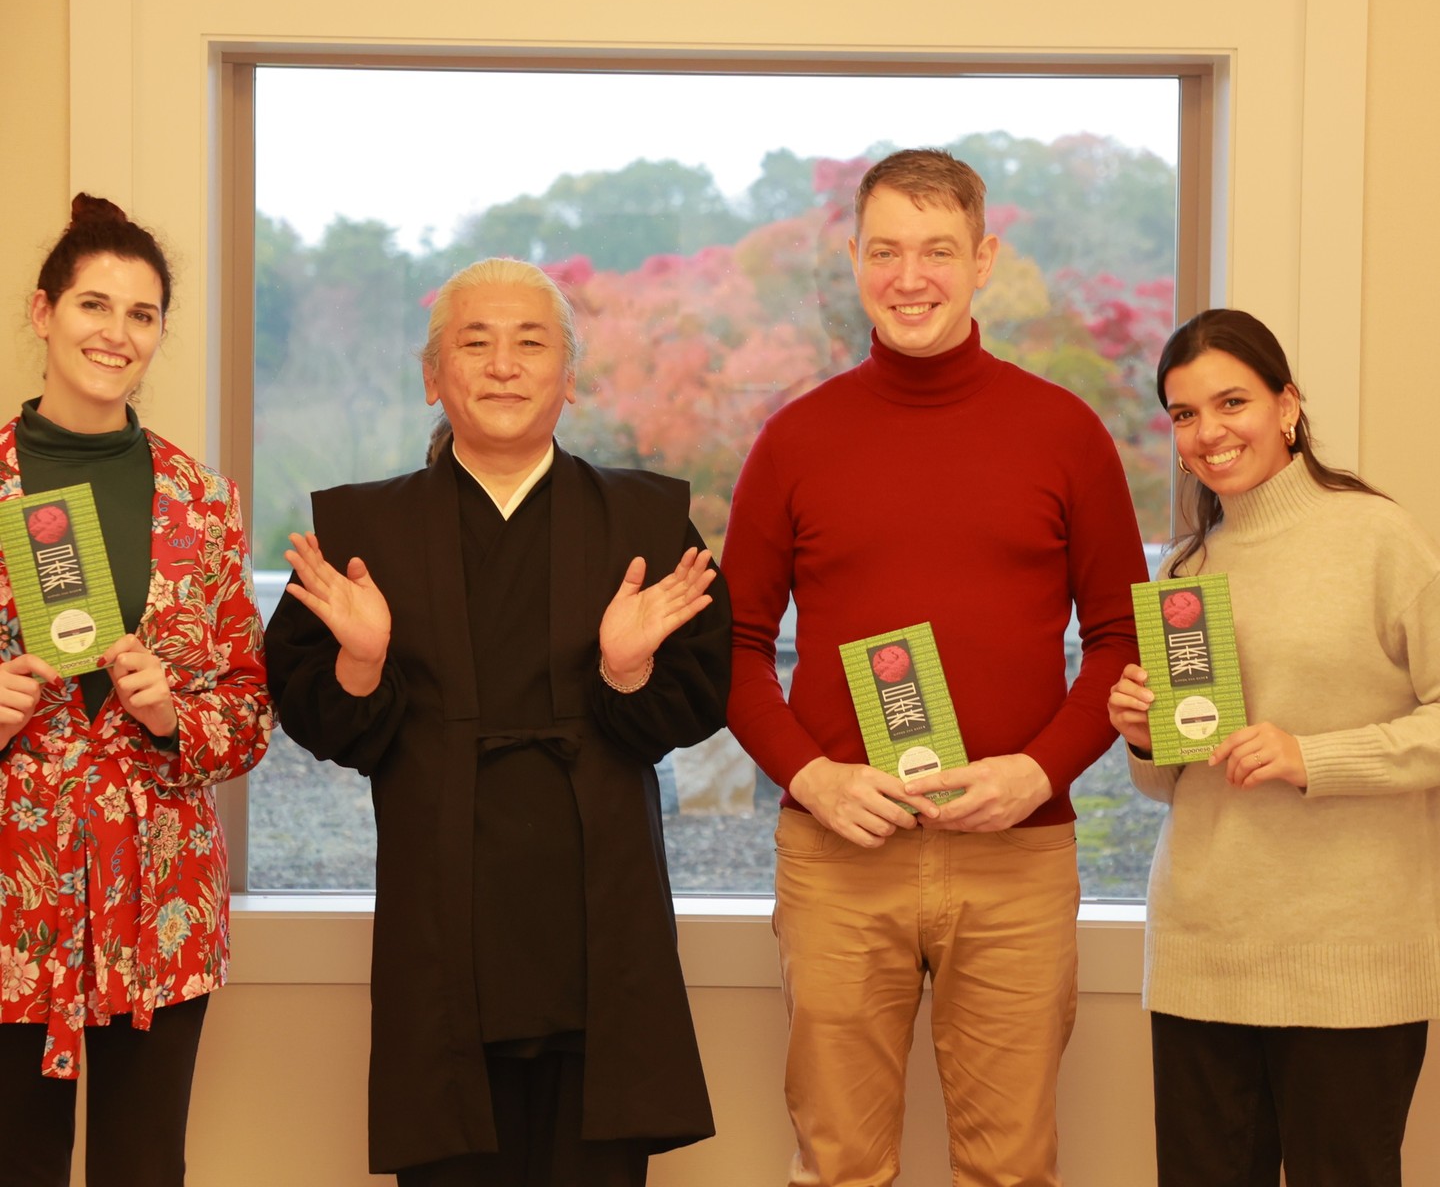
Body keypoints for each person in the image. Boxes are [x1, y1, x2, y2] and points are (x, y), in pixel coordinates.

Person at [723, 148, 1147, 1187]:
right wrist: (813, 780)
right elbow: (728, 649)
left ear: (983, 257)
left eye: (938, 251)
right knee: (839, 1165)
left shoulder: (1067, 434)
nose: (910, 276)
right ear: (856, 260)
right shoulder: (794, 440)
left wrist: (1039, 772)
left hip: (1019, 856)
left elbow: (1123, 641)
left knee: (1011, 1168)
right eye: (886, 251)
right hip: (840, 851)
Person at [264, 257, 730, 1186]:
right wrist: (360, 659)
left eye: (532, 343)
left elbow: (698, 694)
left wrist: (626, 669)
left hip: (600, 916)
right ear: (434, 377)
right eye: (474, 343)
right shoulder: (365, 532)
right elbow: (320, 714)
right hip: (445, 916)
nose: (504, 365)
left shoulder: (647, 519)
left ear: (570, 374)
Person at [1107, 308, 1440, 1187]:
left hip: (1349, 959)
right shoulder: (1184, 575)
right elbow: (1175, 782)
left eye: (1231, 402)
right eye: (1184, 415)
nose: (1208, 433)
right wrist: (1144, 740)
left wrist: (1313, 759)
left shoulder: (1377, 538)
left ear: (1288, 406)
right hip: (1201, 955)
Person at [0, 194, 273, 1186]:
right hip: (11, 895)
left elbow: (248, 712)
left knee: (144, 1166)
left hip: (158, 896)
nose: (116, 333)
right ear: (43, 313)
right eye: (93, 304)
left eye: (142, 314)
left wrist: (171, 714)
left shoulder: (201, 502)